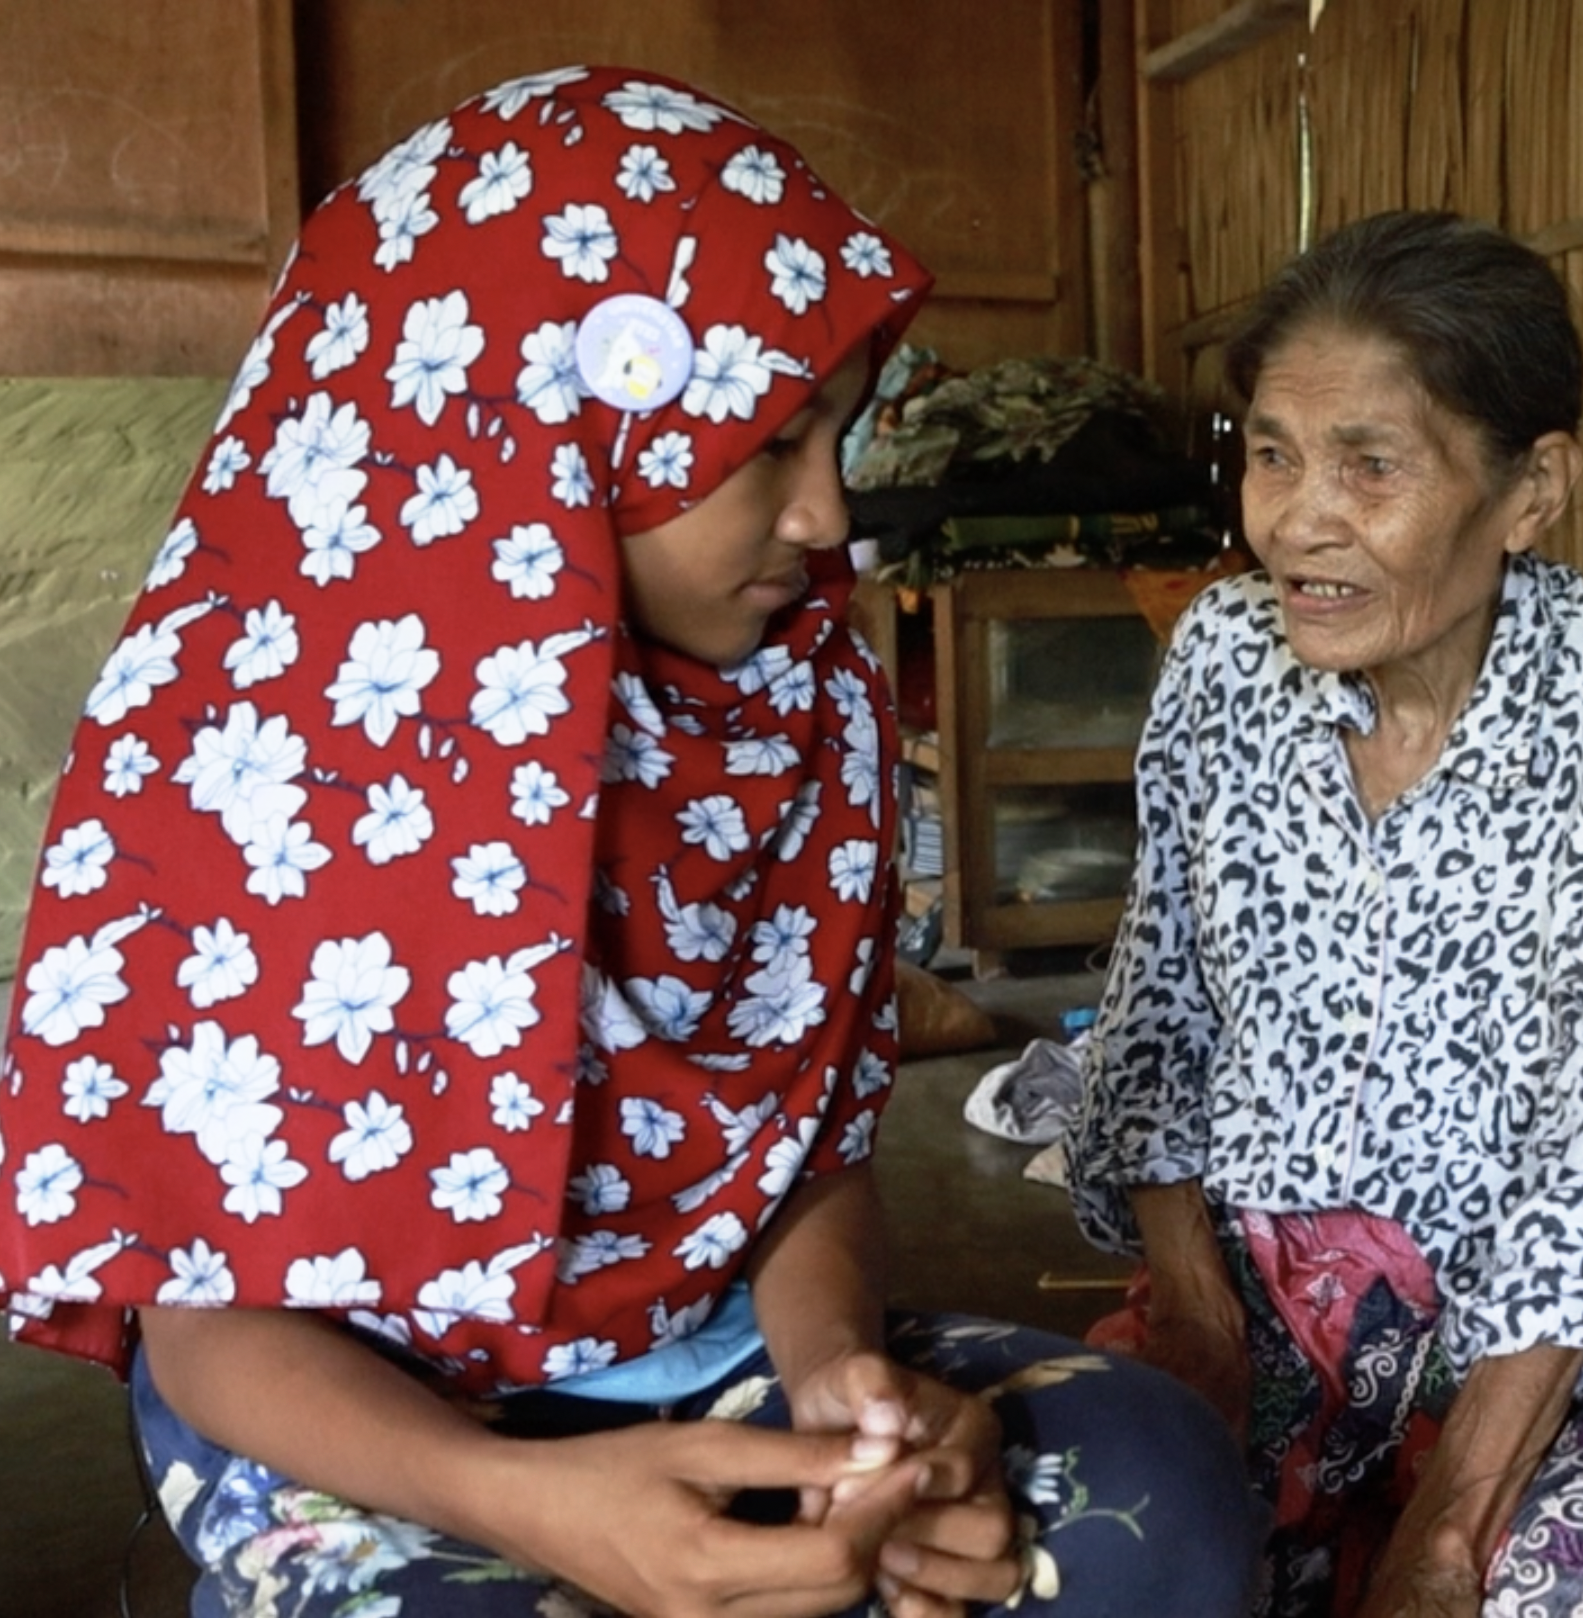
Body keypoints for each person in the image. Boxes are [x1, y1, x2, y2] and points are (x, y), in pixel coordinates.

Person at [0, 66, 1252, 1618]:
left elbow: (802, 1162)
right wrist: (539, 1507)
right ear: (549, 426)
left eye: (836, 437)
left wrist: (844, 1400)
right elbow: (204, 1320)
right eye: (767, 446)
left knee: (1164, 1503)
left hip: (708, 1358)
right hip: (363, 1433)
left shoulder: (797, 705)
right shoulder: (235, 754)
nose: (825, 516)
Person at [1064, 210, 1583, 1617]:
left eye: (1371, 465)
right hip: (1245, 1305)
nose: (1301, 520)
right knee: (1064, 1532)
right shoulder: (1224, 658)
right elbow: (1152, 1026)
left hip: (1507, 1354)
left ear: (1532, 487)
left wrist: (1450, 1526)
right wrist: (1195, 1317)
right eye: (1272, 453)